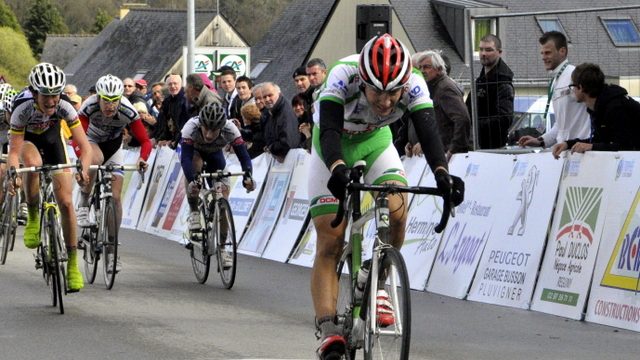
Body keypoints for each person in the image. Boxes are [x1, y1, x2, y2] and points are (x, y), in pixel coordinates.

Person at [309, 34, 464, 359]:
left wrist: (442, 174)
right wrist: (337, 168)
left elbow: (429, 132)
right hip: (332, 144)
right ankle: (328, 331)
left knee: (396, 210)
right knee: (330, 239)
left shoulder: (414, 82)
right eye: (378, 91)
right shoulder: (342, 75)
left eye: (394, 91)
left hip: (376, 142)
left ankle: (376, 276)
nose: (386, 100)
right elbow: (330, 132)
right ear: (363, 81)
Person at [8, 63, 92, 292]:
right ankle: (34, 214)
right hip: (28, 141)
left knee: (65, 202)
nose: (52, 101)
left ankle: (73, 264)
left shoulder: (65, 105)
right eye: (46, 96)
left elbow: (85, 147)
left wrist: (83, 170)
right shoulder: (21, 107)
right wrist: (13, 174)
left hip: (54, 141)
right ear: (35, 93)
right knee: (33, 164)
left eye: (56, 94)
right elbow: (14, 153)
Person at [179, 101, 255, 265]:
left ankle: (223, 248)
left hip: (215, 156)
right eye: (206, 128)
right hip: (196, 154)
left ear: (222, 126)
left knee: (223, 202)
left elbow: (244, 156)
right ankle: (194, 212)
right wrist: (192, 180)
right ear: (201, 124)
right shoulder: (190, 127)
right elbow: (185, 158)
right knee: (195, 165)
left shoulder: (230, 129)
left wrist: (248, 176)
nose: (208, 134)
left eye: (214, 130)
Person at [75, 74, 151, 233]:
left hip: (113, 146)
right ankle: (83, 202)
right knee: (96, 159)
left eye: (114, 100)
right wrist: (82, 159)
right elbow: (77, 136)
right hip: (91, 141)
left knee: (115, 197)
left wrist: (143, 158)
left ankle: (111, 242)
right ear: (98, 98)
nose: (110, 106)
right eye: (106, 100)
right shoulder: (89, 106)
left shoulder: (128, 110)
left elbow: (145, 141)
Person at [518, 31, 590, 149]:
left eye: (547, 53)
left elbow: (594, 111)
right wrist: (540, 140)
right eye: (542, 53)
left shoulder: (575, 75)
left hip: (580, 151)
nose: (543, 57)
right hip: (565, 150)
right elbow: (560, 125)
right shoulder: (555, 80)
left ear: (562, 51)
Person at [551, 63, 640, 158]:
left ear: (580, 87)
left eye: (572, 86)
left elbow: (624, 146)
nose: (572, 90)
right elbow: (598, 141)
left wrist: (592, 146)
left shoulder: (615, 107)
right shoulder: (599, 106)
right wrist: (568, 144)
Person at [415, 50, 471, 160]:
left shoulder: (445, 88)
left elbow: (462, 119)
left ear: (439, 69)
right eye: (420, 68)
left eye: (426, 67)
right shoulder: (433, 87)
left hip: (451, 156)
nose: (422, 71)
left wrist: (453, 149)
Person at [466, 34, 514, 149]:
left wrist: (475, 124)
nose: (483, 53)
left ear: (499, 52)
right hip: (475, 144)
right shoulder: (481, 80)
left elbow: (504, 119)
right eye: (481, 49)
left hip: (493, 148)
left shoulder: (503, 83)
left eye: (488, 50)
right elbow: (467, 109)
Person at [261, 82, 300, 162]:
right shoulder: (273, 112)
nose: (267, 99)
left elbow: (287, 143)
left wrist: (271, 147)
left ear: (279, 94)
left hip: (289, 162)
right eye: (264, 97)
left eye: (270, 95)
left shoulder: (285, 113)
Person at [153, 74, 189, 148]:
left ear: (181, 84)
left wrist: (175, 141)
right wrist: (160, 139)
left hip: (184, 140)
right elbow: (166, 124)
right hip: (172, 141)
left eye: (175, 83)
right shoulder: (167, 101)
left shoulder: (186, 100)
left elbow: (184, 124)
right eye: (170, 84)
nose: (172, 86)